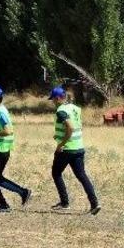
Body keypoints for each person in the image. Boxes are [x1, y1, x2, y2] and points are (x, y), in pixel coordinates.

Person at [49, 86, 101, 214]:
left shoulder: (61, 110)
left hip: (67, 149)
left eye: (53, 100)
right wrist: (59, 135)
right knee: (82, 176)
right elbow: (74, 126)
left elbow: (70, 128)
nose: (53, 102)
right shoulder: (75, 108)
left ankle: (65, 202)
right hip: (79, 147)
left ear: (57, 98)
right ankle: (94, 204)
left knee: (56, 173)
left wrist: (61, 143)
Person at [0, 86, 31, 212]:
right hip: (1, 149)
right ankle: (23, 192)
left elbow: (8, 131)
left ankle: (4, 205)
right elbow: (3, 128)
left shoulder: (0, 112)